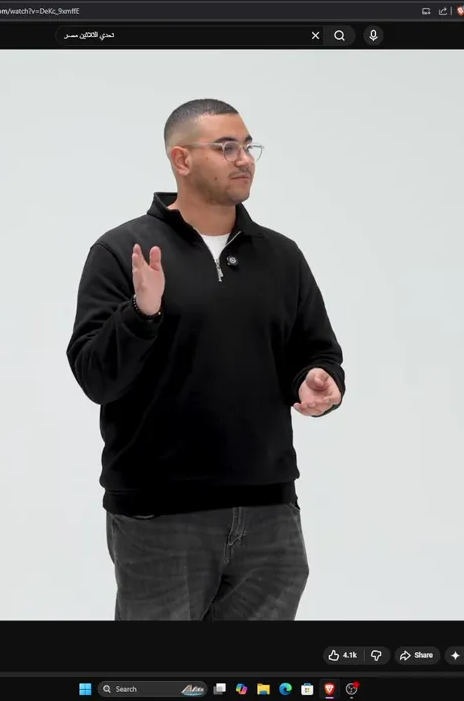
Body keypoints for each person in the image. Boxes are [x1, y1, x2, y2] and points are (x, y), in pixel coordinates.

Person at [66, 98, 346, 621]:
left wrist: (318, 378)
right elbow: (96, 377)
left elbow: (316, 350)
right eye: (226, 147)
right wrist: (141, 313)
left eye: (248, 146)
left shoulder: (281, 256)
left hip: (270, 515)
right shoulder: (123, 251)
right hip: (161, 516)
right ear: (182, 158)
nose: (244, 159)